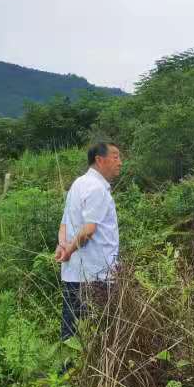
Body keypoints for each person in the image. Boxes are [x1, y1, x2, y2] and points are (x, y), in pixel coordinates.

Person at [54, 141, 122, 339]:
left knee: (71, 332)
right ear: (99, 160)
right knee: (96, 334)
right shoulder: (97, 188)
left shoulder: (78, 184)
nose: (120, 162)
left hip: (74, 274)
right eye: (115, 157)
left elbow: (65, 223)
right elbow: (88, 230)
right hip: (96, 276)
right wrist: (69, 250)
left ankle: (65, 369)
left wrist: (62, 246)